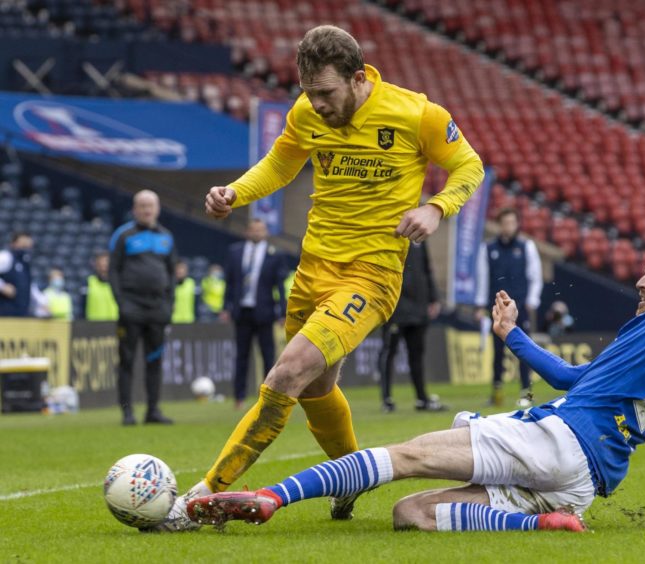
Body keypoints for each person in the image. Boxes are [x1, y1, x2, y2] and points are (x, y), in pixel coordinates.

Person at [185, 170, 645, 533]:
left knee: (407, 454)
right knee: (409, 513)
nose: (642, 281)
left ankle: (268, 497)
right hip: (581, 483)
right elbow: (573, 380)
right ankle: (540, 523)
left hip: (561, 443)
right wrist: (512, 337)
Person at [151, 24, 484, 532]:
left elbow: (469, 165)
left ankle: (203, 497)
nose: (318, 105)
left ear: (356, 78)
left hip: (370, 275)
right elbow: (279, 165)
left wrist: (437, 208)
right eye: (310, 94)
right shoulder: (307, 112)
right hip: (312, 270)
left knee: (286, 374)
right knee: (314, 388)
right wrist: (234, 193)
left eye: (326, 93)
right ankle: (351, 478)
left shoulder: (417, 113)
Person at [109, 190, 176, 426]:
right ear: (135, 209)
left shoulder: (167, 237)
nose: (147, 210)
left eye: (150, 206)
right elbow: (113, 271)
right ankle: (127, 413)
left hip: (157, 309)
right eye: (142, 206)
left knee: (154, 362)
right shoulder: (123, 235)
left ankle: (153, 411)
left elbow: (171, 274)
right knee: (126, 361)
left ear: (157, 209)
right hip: (131, 308)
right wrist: (121, 303)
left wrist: (169, 307)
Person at [474, 208, 542, 408]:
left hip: (519, 305)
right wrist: (480, 305)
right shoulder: (488, 249)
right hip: (497, 307)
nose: (508, 227)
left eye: (512, 222)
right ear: (499, 224)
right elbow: (482, 278)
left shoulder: (526, 247)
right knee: (497, 351)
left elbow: (535, 276)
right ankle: (496, 392)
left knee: (524, 349)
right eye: (505, 223)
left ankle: (526, 393)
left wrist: (532, 300)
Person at [223, 219, 289, 410]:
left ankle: (269, 396)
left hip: (264, 311)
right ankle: (239, 397)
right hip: (241, 310)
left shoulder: (275, 254)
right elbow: (230, 282)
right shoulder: (235, 252)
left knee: (267, 354)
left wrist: (282, 312)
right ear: (247, 231)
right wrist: (226, 307)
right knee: (241, 355)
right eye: (253, 229)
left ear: (266, 232)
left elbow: (280, 286)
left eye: (260, 230)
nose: (256, 233)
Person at [378, 240, 444, 413]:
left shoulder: (418, 236)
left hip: (418, 306)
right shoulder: (389, 228)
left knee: (417, 355)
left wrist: (433, 297)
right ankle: (387, 399)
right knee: (388, 352)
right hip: (396, 306)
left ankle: (422, 398)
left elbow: (426, 267)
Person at [0, 231, 34, 318]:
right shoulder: (6, 256)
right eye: (22, 244)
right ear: (14, 243)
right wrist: (3, 286)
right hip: (4, 313)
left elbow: (30, 286)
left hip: (21, 313)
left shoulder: (25, 262)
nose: (25, 247)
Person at [82, 251, 119, 321]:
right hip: (93, 327)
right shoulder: (88, 282)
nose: (103, 268)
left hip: (114, 325)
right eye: (100, 265)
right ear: (96, 265)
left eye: (106, 265)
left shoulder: (118, 283)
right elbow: (82, 306)